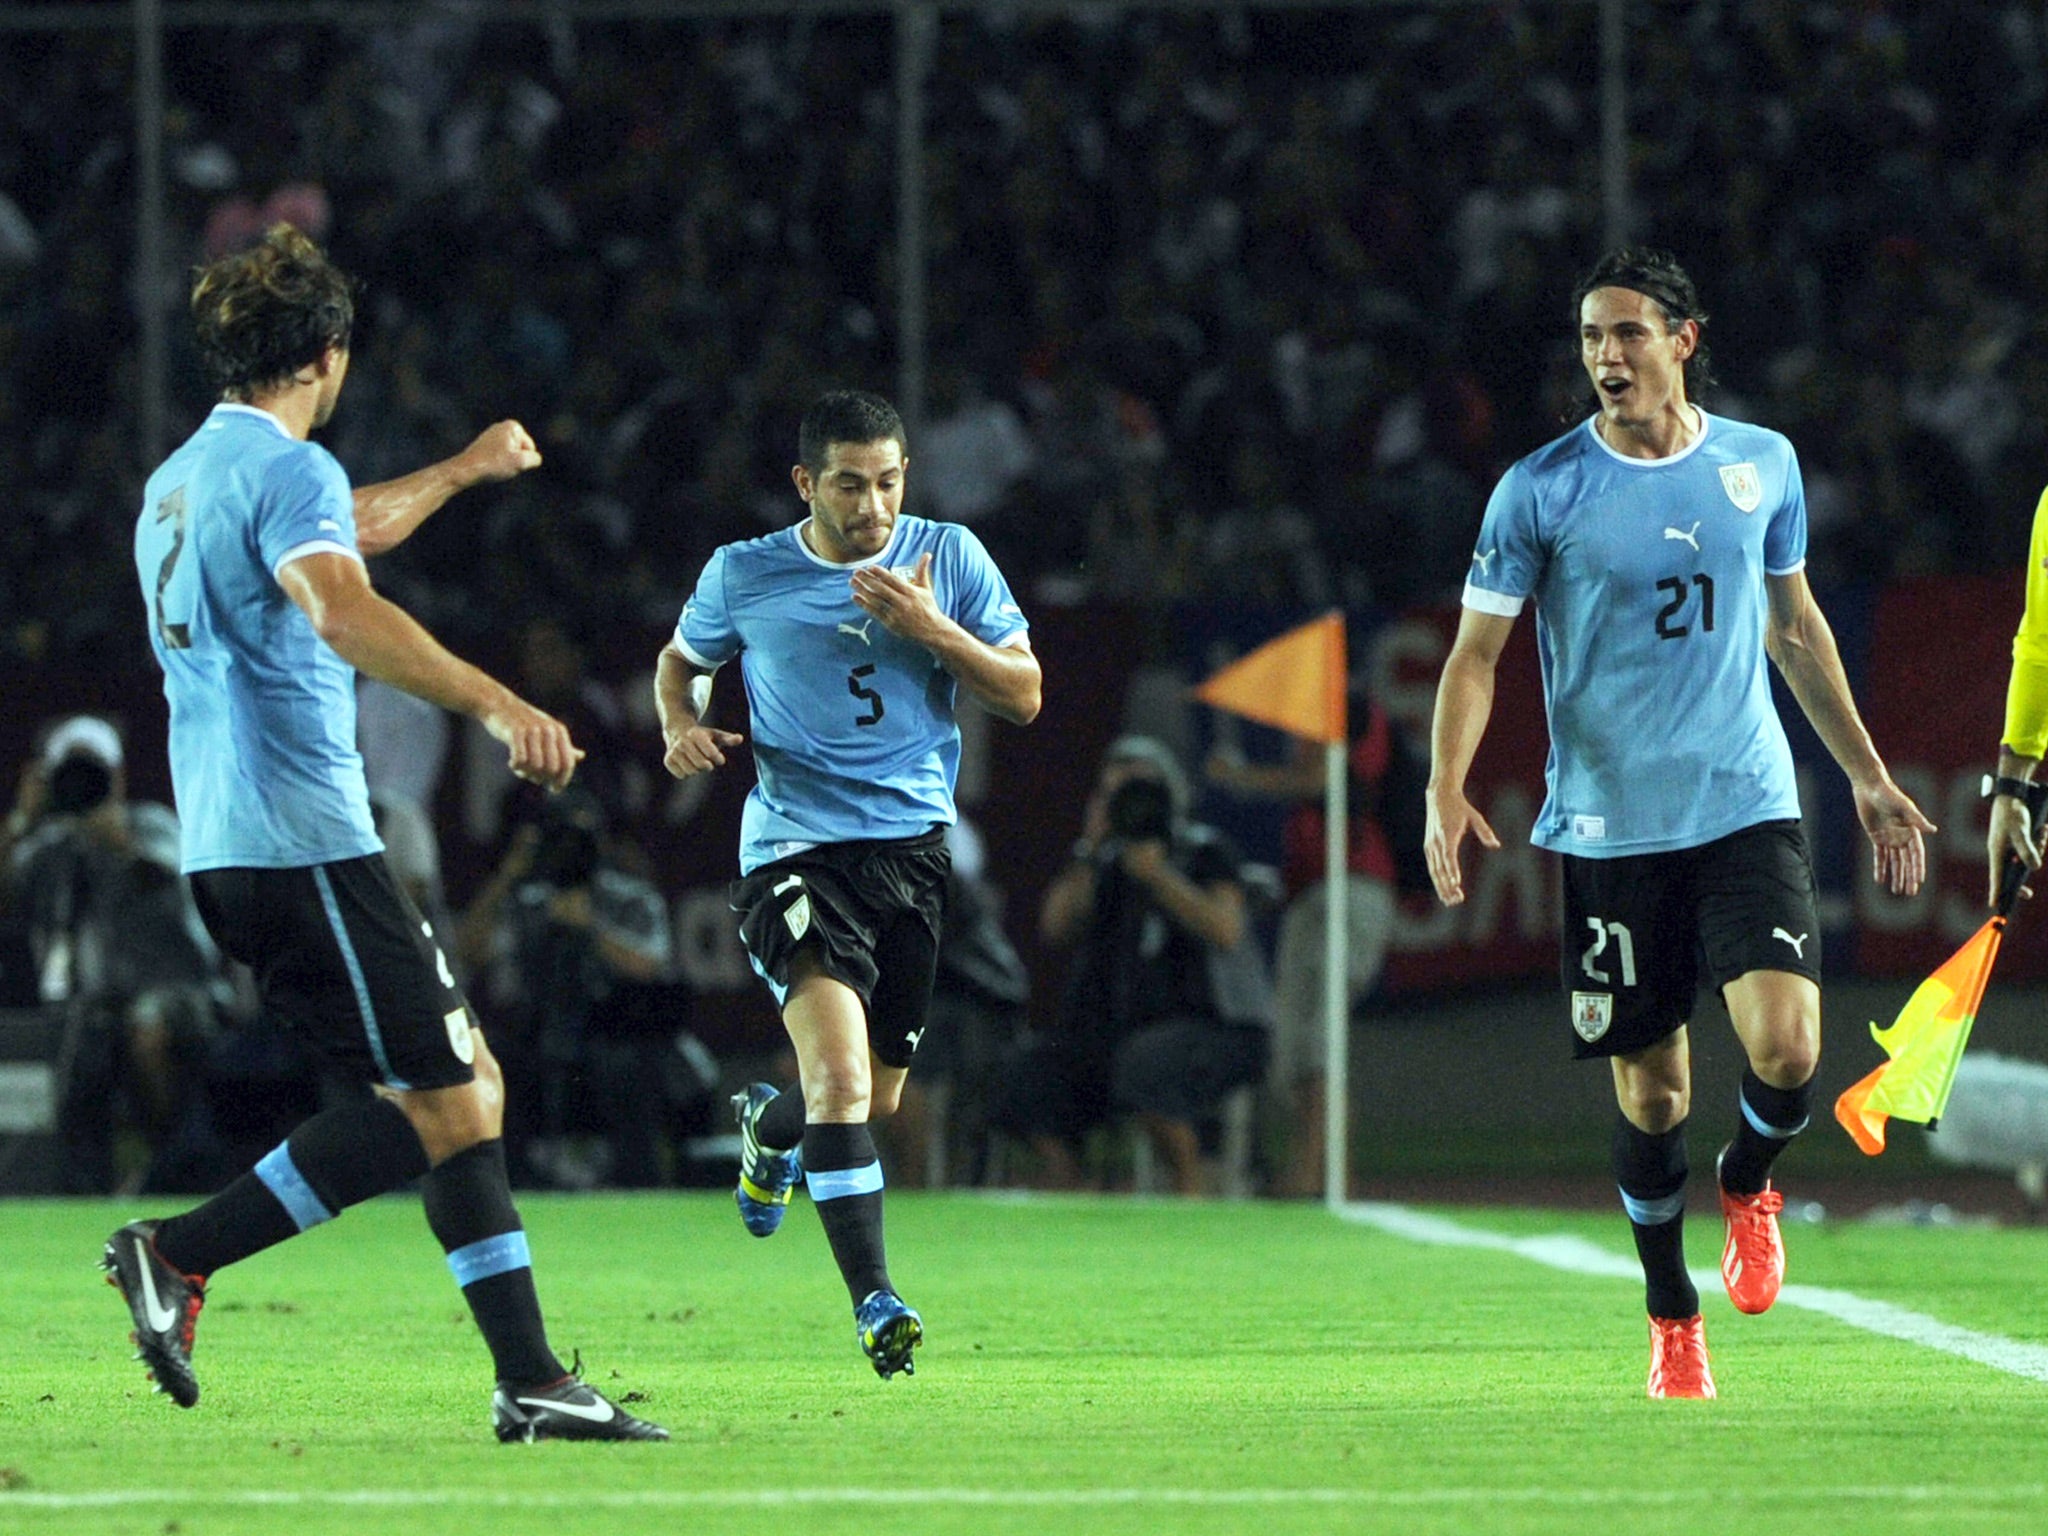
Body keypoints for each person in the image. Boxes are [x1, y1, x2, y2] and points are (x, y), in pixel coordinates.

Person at [111, 224, 665, 1442]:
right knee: (451, 1098)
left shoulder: (182, 481)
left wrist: (459, 471)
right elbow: (337, 599)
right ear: (326, 354)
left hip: (235, 848)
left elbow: (337, 527)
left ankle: (529, 1381)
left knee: (462, 1093)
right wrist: (498, 702)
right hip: (304, 840)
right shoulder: (284, 476)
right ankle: (179, 1251)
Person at [1425, 247, 1933, 1400]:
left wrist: (1861, 773)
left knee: (1789, 1045)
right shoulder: (1539, 489)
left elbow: (1793, 629)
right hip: (1609, 830)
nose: (1606, 356)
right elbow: (1473, 656)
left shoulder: (1761, 465)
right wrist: (1440, 786)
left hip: (1744, 803)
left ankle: (1749, 1180)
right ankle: (1669, 1316)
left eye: (1627, 333)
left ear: (1682, 339)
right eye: (1591, 338)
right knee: (1651, 1094)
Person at [654, 388, 1040, 1378]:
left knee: (866, 1100)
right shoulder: (745, 572)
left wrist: (932, 630)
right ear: (805, 483)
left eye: (887, 480)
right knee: (839, 1079)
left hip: (909, 857)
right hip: (793, 850)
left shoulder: (946, 558)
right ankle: (875, 1302)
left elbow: (1026, 693)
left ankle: (765, 1128)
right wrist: (677, 725)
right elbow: (680, 662)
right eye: (847, 484)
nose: (871, 505)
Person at [993, 736, 1272, 1196]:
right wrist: (1091, 843)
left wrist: (1158, 876)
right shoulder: (1103, 863)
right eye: (1114, 793)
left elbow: (1226, 930)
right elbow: (1055, 926)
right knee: (1026, 1076)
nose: (1129, 804)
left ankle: (1190, 1194)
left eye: (1140, 791)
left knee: (1145, 1066)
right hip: (1122, 1031)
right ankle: (1073, 1196)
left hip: (1215, 1024)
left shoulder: (1203, 850)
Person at [2, 715, 228, 1194]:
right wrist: (23, 817)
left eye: (93, 770)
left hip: (182, 991)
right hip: (93, 1002)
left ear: (118, 775)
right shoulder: (54, 845)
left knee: (146, 1027)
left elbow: (169, 874)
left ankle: (168, 1157)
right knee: (74, 1036)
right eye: (71, 771)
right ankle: (78, 1178)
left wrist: (117, 839)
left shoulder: (152, 824)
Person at [1206, 692, 1401, 1198]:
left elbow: (1321, 779)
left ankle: (1308, 1182)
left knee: (1318, 1043)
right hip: (1318, 894)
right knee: (1297, 1052)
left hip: (1347, 888)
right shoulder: (1337, 714)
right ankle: (1335, 1182)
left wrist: (1239, 776)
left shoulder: (1347, 706)